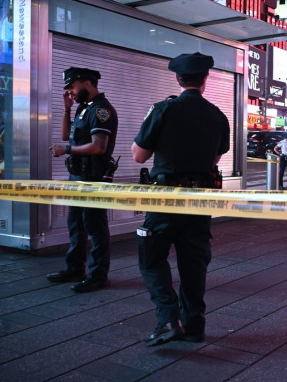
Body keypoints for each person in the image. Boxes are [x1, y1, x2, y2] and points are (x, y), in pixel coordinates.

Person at [131, 52, 230, 347]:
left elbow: (139, 156)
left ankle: (167, 319)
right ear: (205, 79)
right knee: (194, 262)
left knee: (150, 258)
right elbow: (214, 159)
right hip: (199, 200)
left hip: (164, 200)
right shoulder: (218, 116)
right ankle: (194, 325)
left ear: (177, 78)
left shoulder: (163, 109)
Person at [47, 67, 118, 293]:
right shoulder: (82, 109)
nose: (70, 92)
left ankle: (98, 276)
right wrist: (67, 110)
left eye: (72, 87)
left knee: (95, 227)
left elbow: (99, 146)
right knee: (76, 226)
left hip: (94, 177)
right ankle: (75, 269)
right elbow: (64, 135)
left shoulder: (100, 110)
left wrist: (66, 149)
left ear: (87, 83)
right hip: (78, 176)